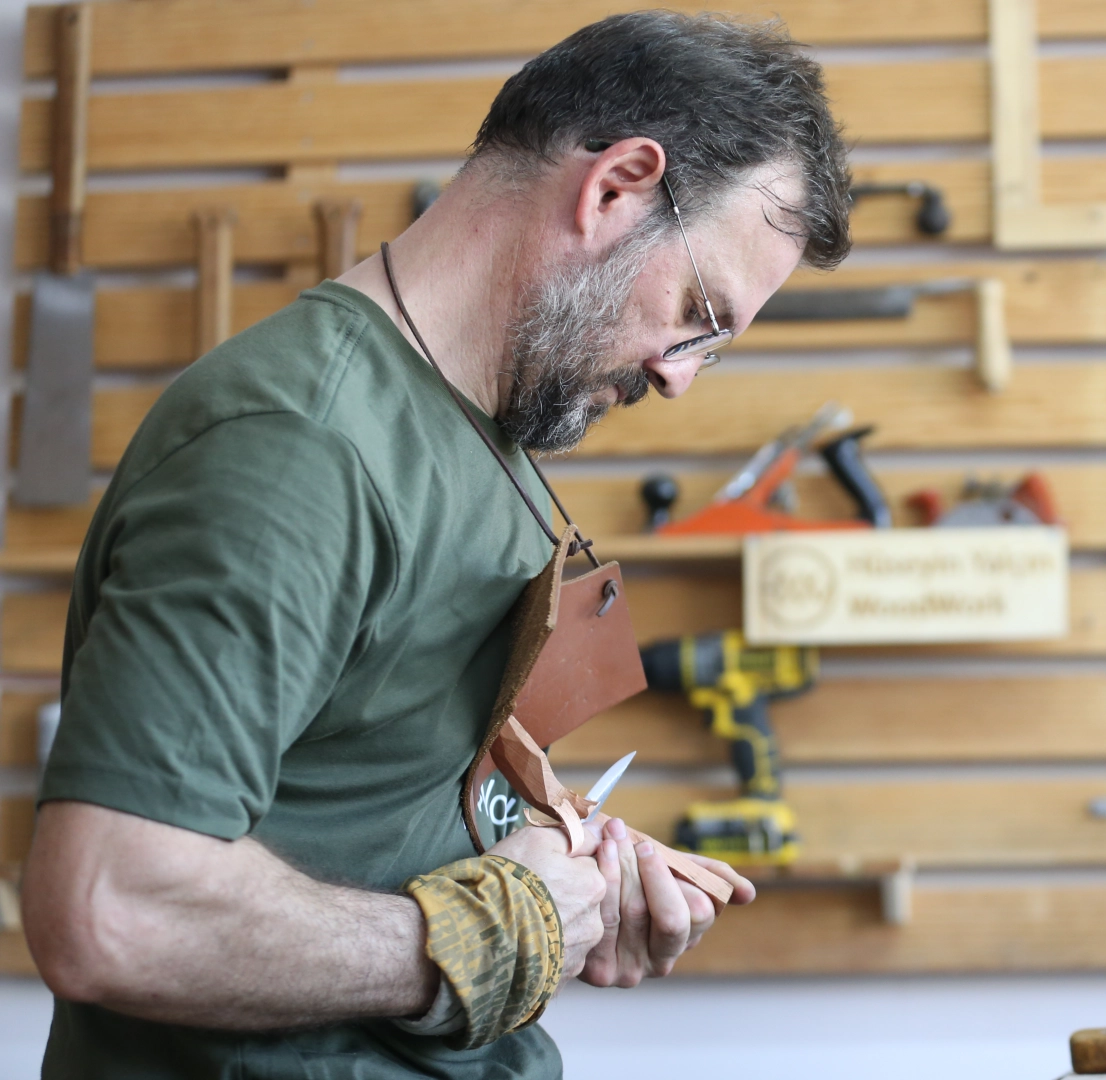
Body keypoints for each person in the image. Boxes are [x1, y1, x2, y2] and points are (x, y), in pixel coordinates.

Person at [19, 11, 851, 1077]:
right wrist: (487, 934)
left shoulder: (475, 426)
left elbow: (377, 779)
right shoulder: (300, 447)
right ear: (615, 189)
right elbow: (111, 910)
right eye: (697, 311)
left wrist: (570, 867)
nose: (679, 374)